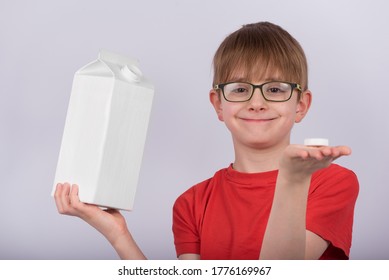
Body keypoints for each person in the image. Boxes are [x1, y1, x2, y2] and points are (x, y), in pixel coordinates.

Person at [54, 21, 359, 260]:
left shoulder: (332, 183)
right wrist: (118, 234)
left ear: (301, 105)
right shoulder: (192, 204)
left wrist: (293, 181)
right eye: (240, 89)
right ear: (218, 104)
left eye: (275, 89)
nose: (257, 102)